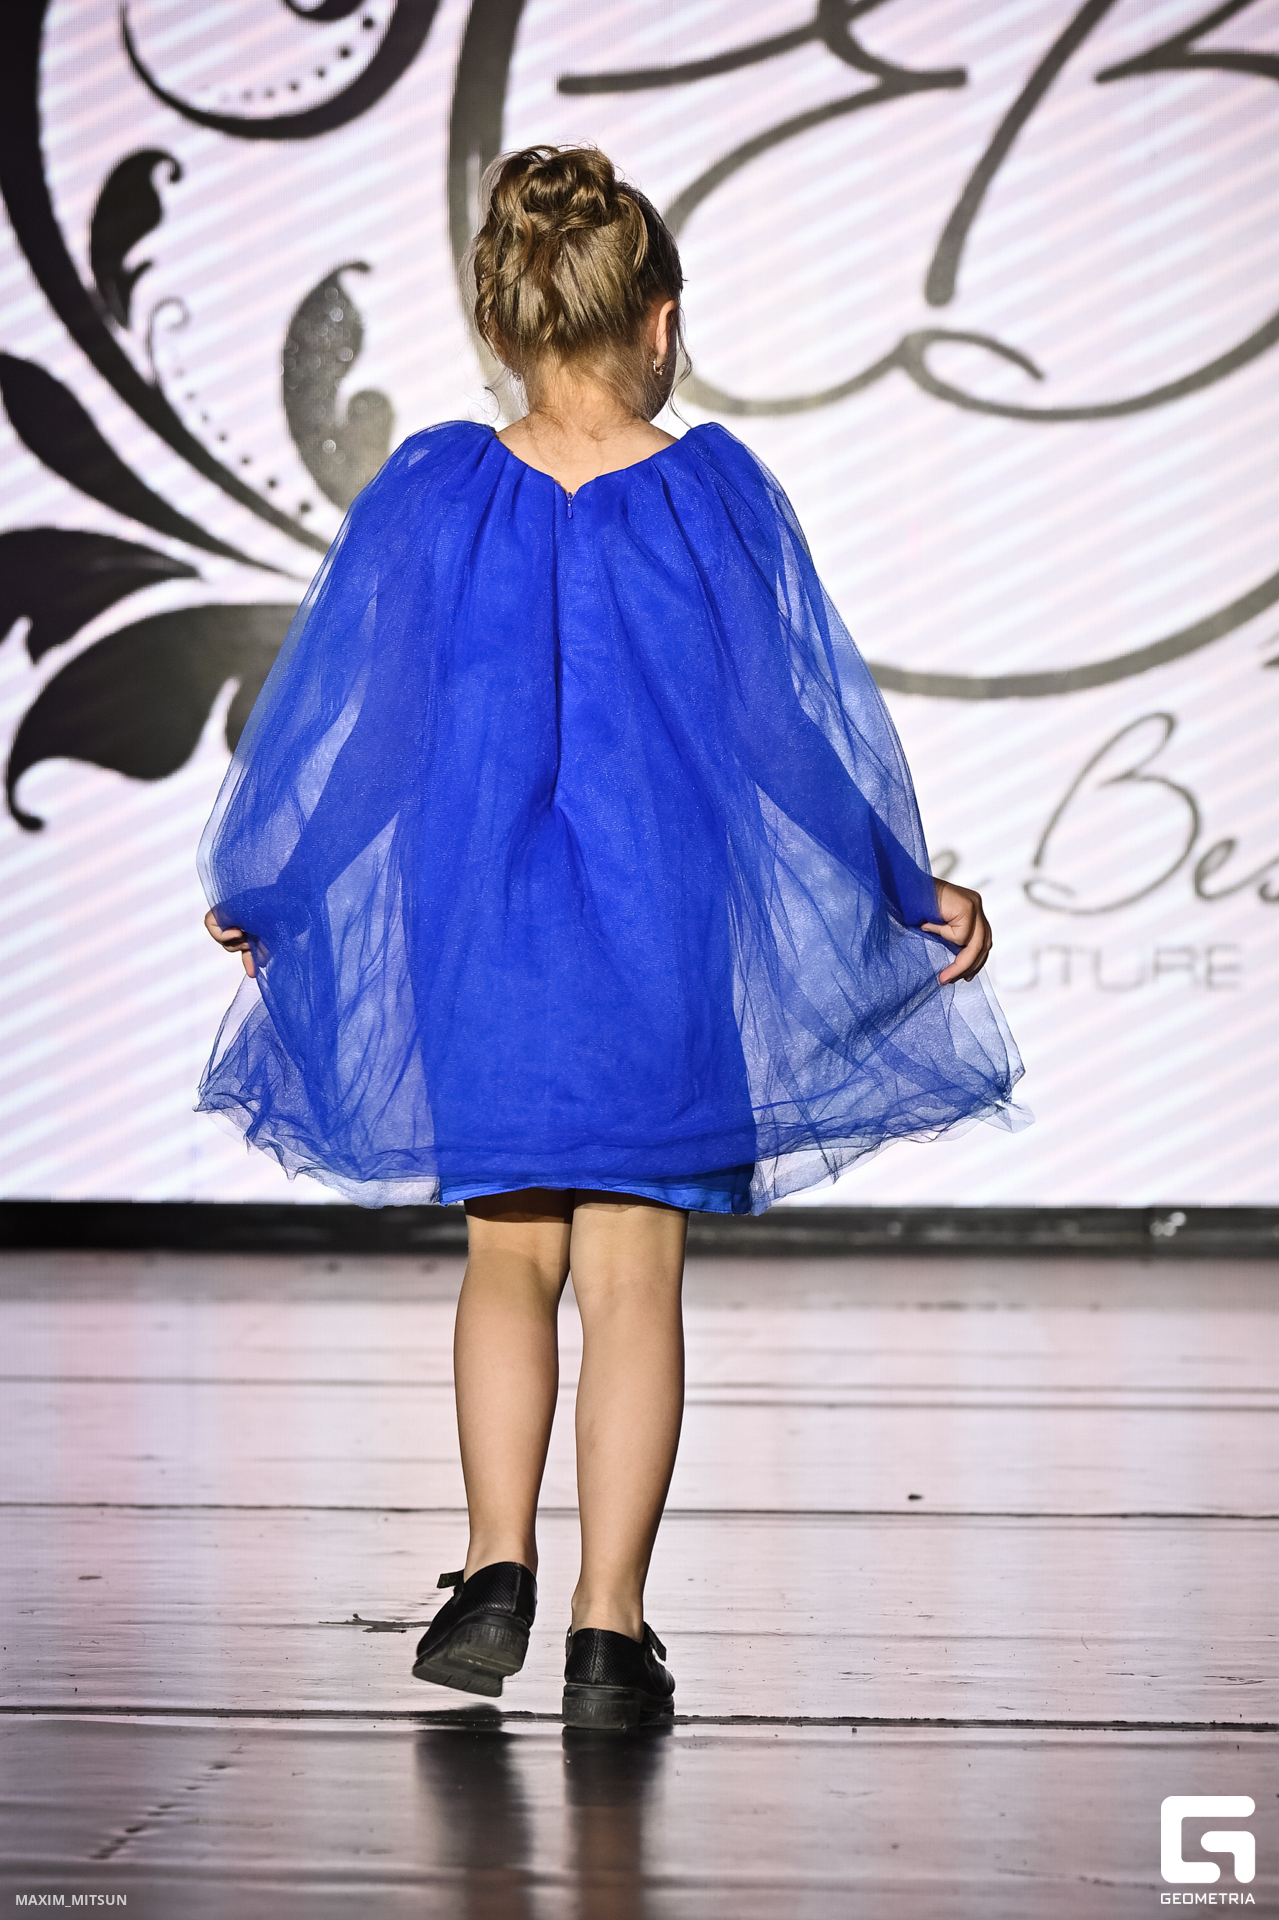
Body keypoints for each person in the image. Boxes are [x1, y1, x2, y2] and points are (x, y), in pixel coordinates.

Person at [199, 145, 1023, 1730]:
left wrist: (282, 888)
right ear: (658, 322)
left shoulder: (438, 490)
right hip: (656, 930)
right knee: (633, 1277)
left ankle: (493, 1563)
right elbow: (784, 732)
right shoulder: (707, 494)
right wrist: (906, 884)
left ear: (505, 325)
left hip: (484, 936)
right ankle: (606, 1630)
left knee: (509, 1258)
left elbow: (375, 737)